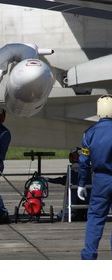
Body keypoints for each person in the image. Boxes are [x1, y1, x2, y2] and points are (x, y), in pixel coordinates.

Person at [77, 94, 112, 260]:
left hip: (100, 180)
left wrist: (82, 183)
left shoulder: (89, 134)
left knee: (96, 218)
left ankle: (89, 256)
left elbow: (84, 162)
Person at [47, 147, 91, 221]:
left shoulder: (72, 170)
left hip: (75, 202)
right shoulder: (89, 169)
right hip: (87, 202)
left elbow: (64, 180)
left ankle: (74, 213)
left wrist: (49, 179)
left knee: (60, 216)